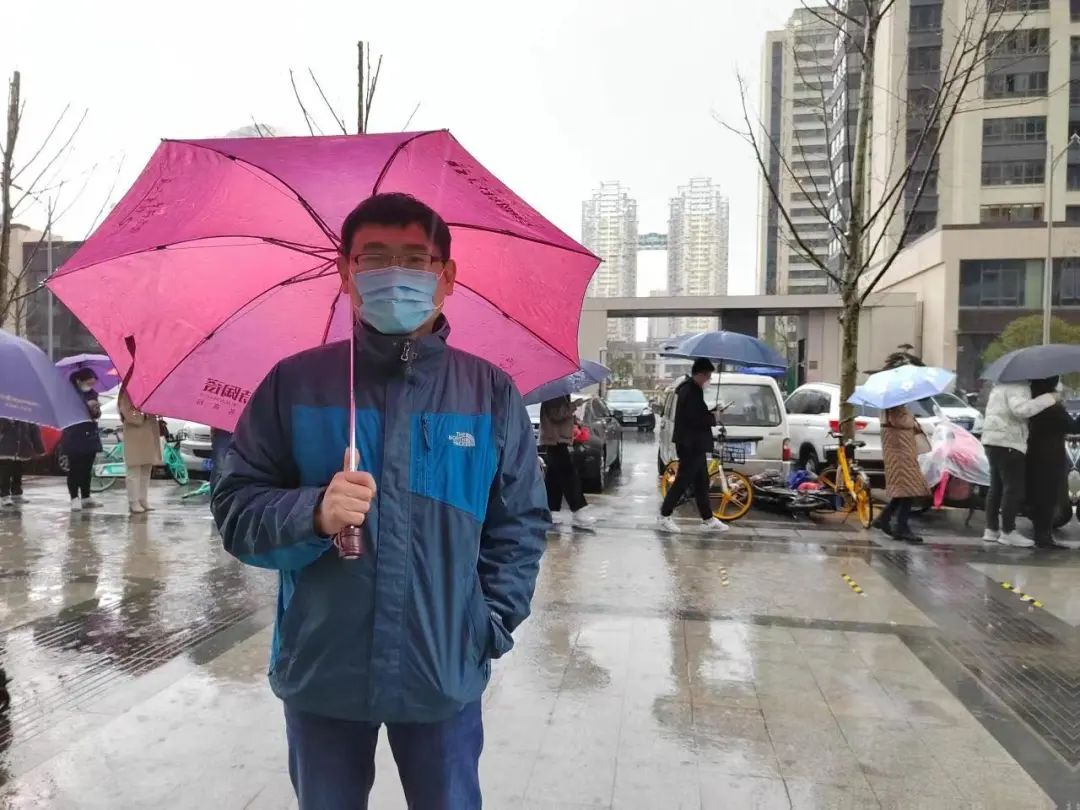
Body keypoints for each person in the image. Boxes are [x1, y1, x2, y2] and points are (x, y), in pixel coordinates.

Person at [212, 192, 548, 810]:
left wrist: (487, 626)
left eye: (415, 259)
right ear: (346, 272)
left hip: (442, 671)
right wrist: (312, 513)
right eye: (375, 258)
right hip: (323, 668)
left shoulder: (490, 393)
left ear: (446, 276)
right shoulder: (295, 384)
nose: (396, 274)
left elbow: (520, 525)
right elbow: (235, 513)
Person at [982, 380, 1059, 547]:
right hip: (1009, 442)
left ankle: (991, 529)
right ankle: (1008, 532)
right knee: (1013, 489)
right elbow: (1021, 410)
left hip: (992, 440)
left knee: (996, 487)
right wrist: (1048, 398)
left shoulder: (1000, 386)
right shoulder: (1019, 386)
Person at [657, 357, 728, 534]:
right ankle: (664, 515)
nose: (709, 380)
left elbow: (696, 414)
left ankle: (707, 518)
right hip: (691, 444)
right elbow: (694, 419)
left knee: (702, 482)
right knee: (683, 481)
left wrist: (711, 412)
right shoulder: (690, 391)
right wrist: (714, 418)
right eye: (708, 376)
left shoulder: (691, 390)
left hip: (695, 443)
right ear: (700, 374)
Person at [1025, 376, 1077, 548]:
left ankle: (1041, 533)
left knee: (1037, 494)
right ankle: (1044, 537)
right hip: (1050, 456)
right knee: (1048, 497)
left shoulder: (1031, 404)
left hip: (1032, 453)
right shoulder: (1053, 408)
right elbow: (1073, 427)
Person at [872, 404, 930, 543]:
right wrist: (913, 418)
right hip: (902, 455)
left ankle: (884, 518)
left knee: (903, 490)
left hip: (899, 455)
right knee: (909, 491)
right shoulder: (896, 411)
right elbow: (906, 423)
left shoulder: (889, 411)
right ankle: (901, 527)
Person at [539, 395, 594, 527]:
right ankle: (578, 509)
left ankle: (552, 510)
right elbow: (556, 414)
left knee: (554, 477)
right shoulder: (554, 392)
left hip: (557, 438)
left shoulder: (560, 392)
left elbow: (561, 414)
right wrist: (574, 405)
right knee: (568, 474)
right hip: (556, 439)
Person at [61, 369, 103, 512]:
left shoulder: (92, 394)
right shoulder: (69, 395)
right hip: (74, 436)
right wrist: (84, 405)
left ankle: (86, 497)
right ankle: (74, 498)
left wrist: (95, 409)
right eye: (88, 381)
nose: (91, 384)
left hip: (90, 435)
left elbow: (97, 415)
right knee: (74, 470)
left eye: (93, 381)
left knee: (86, 469)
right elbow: (67, 414)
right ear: (79, 381)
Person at [117, 385, 162, 514]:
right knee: (134, 469)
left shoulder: (151, 388)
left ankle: (143, 498)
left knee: (146, 468)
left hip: (148, 433)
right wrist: (143, 414)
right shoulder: (127, 390)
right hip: (135, 433)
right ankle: (133, 501)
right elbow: (126, 411)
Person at [0, 419, 44, 507]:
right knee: (5, 474)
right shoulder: (3, 415)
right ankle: (4, 495)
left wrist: (39, 449)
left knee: (18, 473)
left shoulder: (26, 416)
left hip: (21, 450)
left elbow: (34, 431)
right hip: (5, 449)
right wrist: (7, 423)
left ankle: (17, 494)